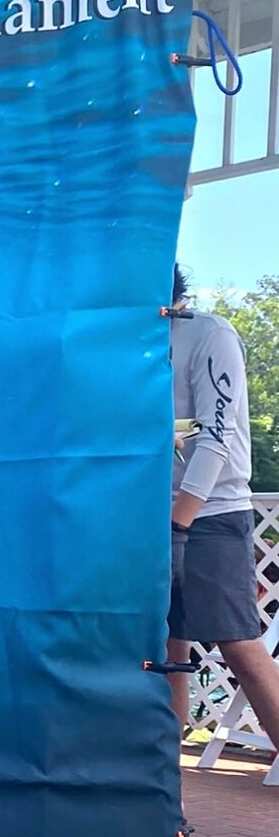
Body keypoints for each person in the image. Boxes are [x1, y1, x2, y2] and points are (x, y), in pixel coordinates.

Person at [167, 264, 279, 752]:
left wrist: (179, 524)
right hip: (148, 517)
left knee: (239, 645)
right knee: (166, 649)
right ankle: (165, 784)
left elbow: (217, 437)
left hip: (212, 513)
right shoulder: (127, 346)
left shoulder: (210, 334)